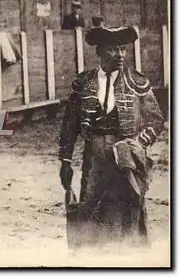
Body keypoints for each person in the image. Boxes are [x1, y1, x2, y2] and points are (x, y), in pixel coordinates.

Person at [59, 26, 164, 249]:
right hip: (94, 156)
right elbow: (70, 124)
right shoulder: (83, 83)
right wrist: (66, 160)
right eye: (113, 49)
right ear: (100, 52)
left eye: (123, 49)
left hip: (124, 157)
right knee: (91, 207)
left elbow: (155, 120)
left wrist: (138, 144)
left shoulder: (137, 82)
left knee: (128, 209)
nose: (120, 55)